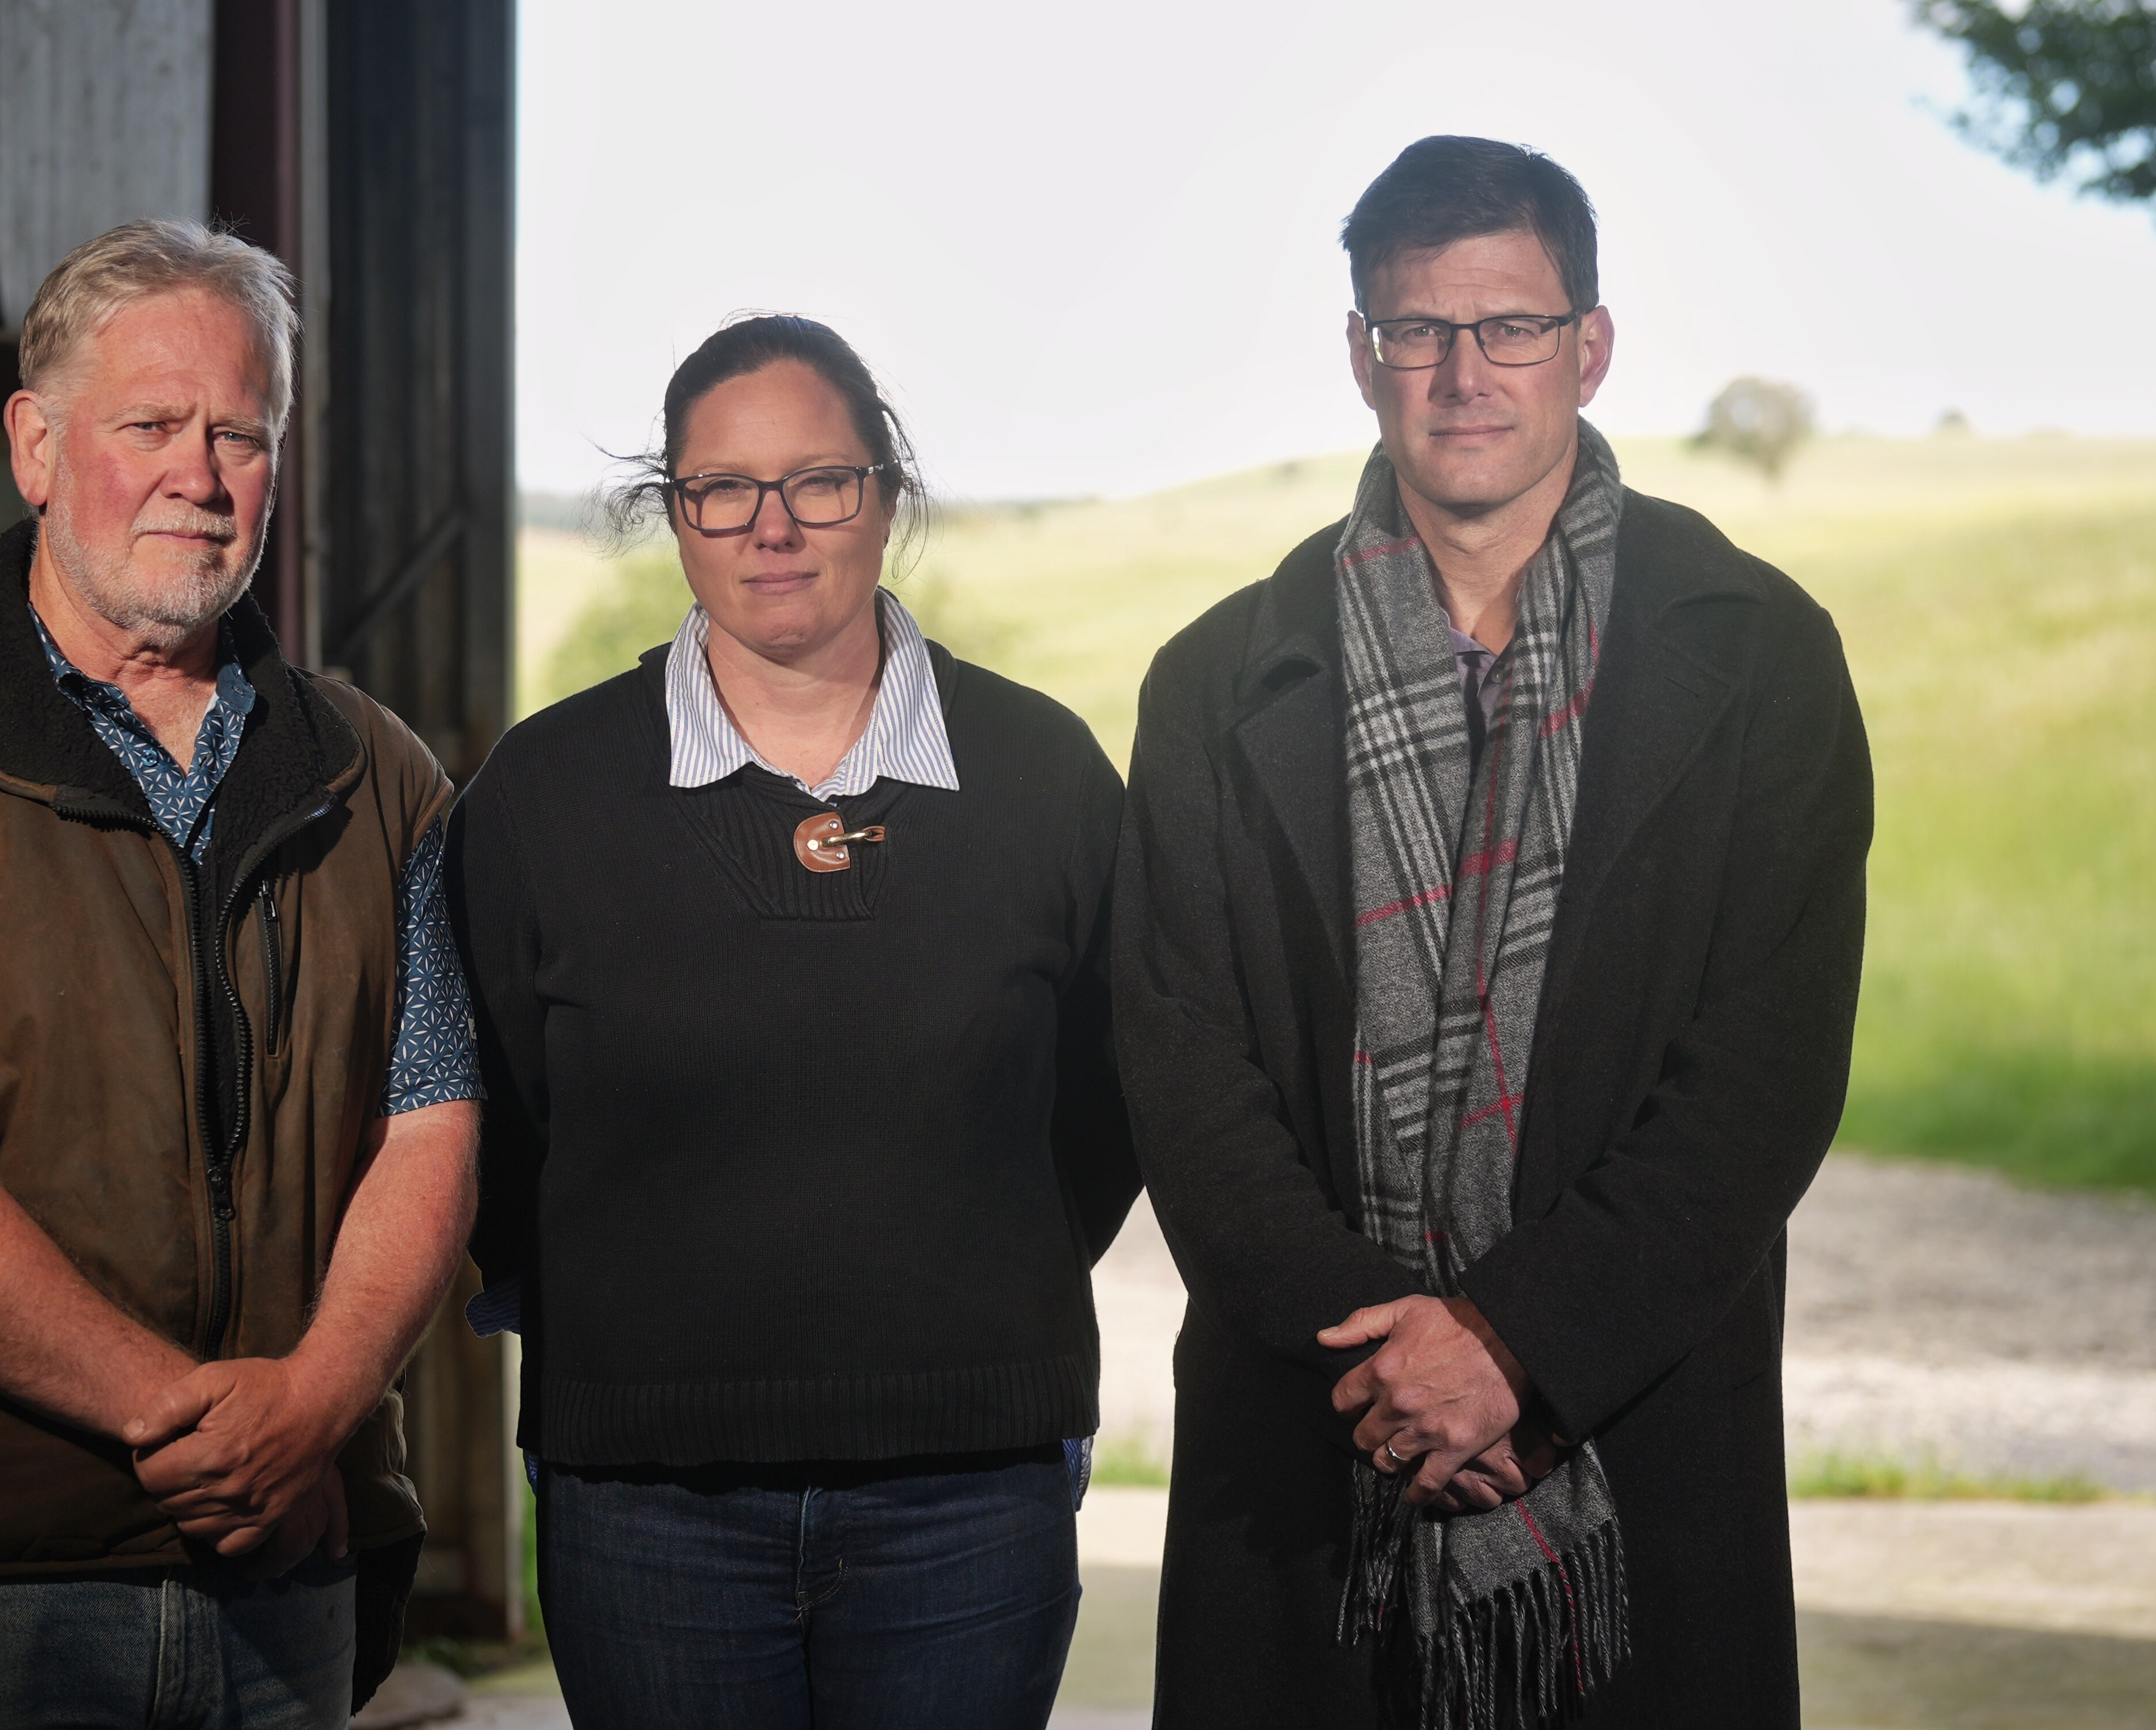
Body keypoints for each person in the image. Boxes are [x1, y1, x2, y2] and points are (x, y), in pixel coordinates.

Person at [1114, 137, 1873, 1729]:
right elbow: (1183, 1072)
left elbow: (1761, 1077)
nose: (1462, 374)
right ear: (1357, 353)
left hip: (1626, 1428)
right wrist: (1404, 1367)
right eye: (1414, 330)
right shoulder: (1210, 681)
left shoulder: (1756, 660)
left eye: (1509, 327)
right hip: (1318, 1446)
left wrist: (1517, 1344)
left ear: (1586, 347)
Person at [0, 220, 482, 1727]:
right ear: (34, 444)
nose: (195, 476)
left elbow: (434, 1122)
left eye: (240, 433)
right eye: (148, 424)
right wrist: (184, 1417)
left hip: (288, 1569)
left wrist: (315, 1408)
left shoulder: (377, 775)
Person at [451, 314, 1138, 1730]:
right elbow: (497, 1123)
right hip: (646, 1500)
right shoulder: (546, 790)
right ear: (674, 513)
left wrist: (952, 1276)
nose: (772, 527)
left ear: (885, 497)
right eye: (721, 490)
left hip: (971, 1487)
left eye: (819, 482)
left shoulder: (1045, 776)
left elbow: (1106, 1105)